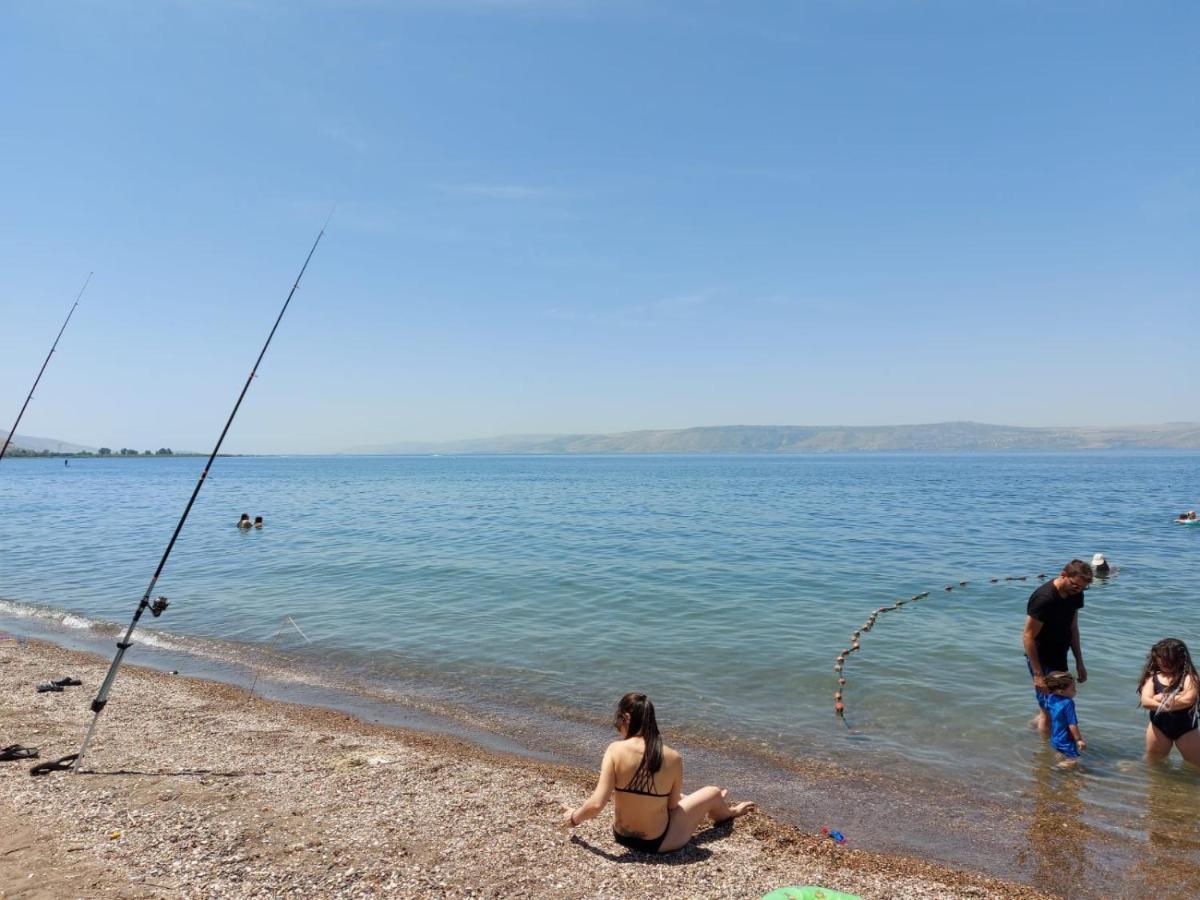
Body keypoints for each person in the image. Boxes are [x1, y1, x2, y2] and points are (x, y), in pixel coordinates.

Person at [559, 692, 754, 854]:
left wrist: (573, 817)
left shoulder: (614, 750)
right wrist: (697, 801)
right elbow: (672, 805)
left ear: (626, 718)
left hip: (621, 836)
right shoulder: (673, 757)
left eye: (618, 721)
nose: (618, 727)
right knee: (711, 791)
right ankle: (730, 812)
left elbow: (596, 804)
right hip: (658, 842)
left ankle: (714, 804)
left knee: (694, 797)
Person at [1023, 560, 1092, 736]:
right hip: (1042, 658)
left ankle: (1037, 724)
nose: (1078, 590)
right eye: (1075, 585)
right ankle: (1047, 756)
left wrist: (1079, 662)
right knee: (1051, 709)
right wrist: (1038, 675)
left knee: (1054, 702)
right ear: (1063, 575)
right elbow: (1028, 636)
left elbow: (1073, 627)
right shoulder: (1044, 598)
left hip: (1060, 654)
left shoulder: (1075, 593)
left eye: (1082, 588)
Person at [1138, 638, 1200, 766]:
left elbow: (1188, 700)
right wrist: (1174, 698)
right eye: (1161, 658)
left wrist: (1160, 698)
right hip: (1158, 727)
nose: (1164, 662)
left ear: (1182, 659)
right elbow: (1145, 701)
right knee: (1154, 763)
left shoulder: (1190, 677)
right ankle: (1158, 786)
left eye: (1168, 659)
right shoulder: (1152, 678)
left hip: (1186, 729)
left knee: (1196, 765)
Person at [1042, 672, 1086, 767]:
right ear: (1061, 692)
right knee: (1074, 759)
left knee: (1060, 753)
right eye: (1073, 689)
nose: (1076, 691)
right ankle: (1055, 768)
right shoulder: (1068, 703)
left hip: (1055, 737)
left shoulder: (1050, 697)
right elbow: (1072, 724)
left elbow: (1047, 711)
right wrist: (1079, 740)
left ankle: (1059, 766)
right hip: (1066, 739)